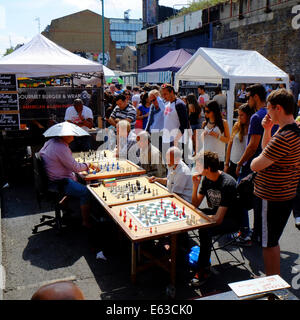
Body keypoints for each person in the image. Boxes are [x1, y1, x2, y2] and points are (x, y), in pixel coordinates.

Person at [250, 88, 300, 276]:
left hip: (271, 197)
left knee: (268, 244)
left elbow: (256, 164)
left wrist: (258, 158)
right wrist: (268, 130)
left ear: (277, 108)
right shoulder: (293, 130)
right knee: (273, 241)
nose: (267, 112)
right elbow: (267, 150)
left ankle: (272, 284)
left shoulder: (284, 138)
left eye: (269, 108)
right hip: (285, 195)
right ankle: (274, 280)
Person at [235, 84, 278, 242]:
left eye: (249, 97)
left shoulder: (256, 117)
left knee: (239, 196)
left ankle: (246, 233)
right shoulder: (272, 114)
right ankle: (258, 234)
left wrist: (240, 163)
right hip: (269, 164)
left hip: (255, 165)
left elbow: (252, 146)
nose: (247, 100)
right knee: (260, 203)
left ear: (255, 97)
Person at [191, 151, 240, 285]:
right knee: (190, 215)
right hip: (216, 213)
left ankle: (203, 270)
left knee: (204, 230)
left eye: (198, 165)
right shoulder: (206, 179)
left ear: (206, 168)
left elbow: (218, 219)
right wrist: (195, 186)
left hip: (231, 220)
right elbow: (195, 204)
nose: (195, 167)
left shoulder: (227, 184)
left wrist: (200, 220)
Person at [39, 133, 99, 228]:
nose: (73, 136)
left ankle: (64, 203)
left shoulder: (50, 142)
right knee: (86, 192)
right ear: (65, 136)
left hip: (51, 178)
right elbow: (75, 167)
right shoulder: (61, 147)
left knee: (79, 179)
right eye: (71, 135)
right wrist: (89, 165)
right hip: (60, 182)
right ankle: (86, 221)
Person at [224, 103, 254, 179]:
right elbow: (230, 144)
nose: (239, 117)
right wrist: (227, 164)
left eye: (242, 115)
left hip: (246, 166)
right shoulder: (237, 125)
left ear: (249, 115)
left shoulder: (253, 128)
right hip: (233, 163)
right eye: (238, 115)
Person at [160, 84, 190, 162]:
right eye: (162, 94)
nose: (163, 96)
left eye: (165, 94)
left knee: (177, 165)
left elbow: (184, 124)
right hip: (167, 139)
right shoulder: (167, 103)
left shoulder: (179, 104)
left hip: (176, 141)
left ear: (172, 92)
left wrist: (176, 140)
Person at [201, 101, 230, 168]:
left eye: (208, 111)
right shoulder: (204, 123)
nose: (205, 113)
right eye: (204, 111)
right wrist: (202, 135)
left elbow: (228, 140)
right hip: (206, 157)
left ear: (214, 111)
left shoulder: (223, 123)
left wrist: (217, 136)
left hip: (218, 158)